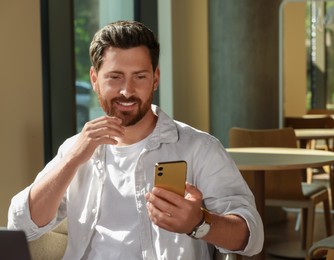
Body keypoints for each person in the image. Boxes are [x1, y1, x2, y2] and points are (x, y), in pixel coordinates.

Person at [8, 20, 263, 259]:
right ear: (95, 80)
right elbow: (20, 226)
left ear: (155, 79)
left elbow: (252, 237)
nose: (127, 91)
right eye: (115, 77)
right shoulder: (75, 149)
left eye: (139, 77)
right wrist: (73, 160)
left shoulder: (199, 148)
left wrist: (199, 223)